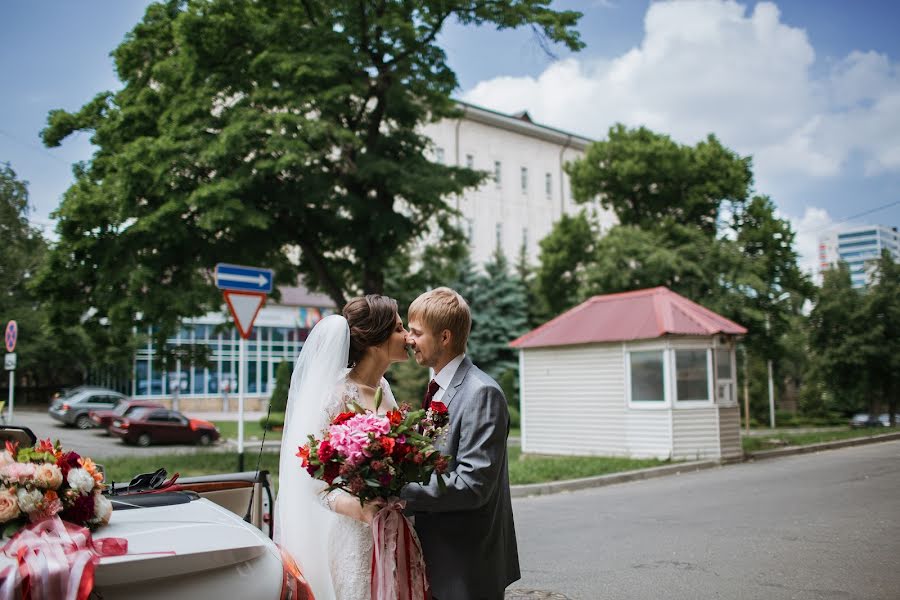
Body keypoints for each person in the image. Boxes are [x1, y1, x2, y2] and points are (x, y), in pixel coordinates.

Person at [274, 294, 409, 599]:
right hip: (354, 535)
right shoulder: (335, 397)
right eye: (399, 329)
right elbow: (309, 480)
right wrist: (356, 507)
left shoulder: (384, 388)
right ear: (376, 340)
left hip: (390, 530)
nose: (408, 336)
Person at [402, 287, 520, 600]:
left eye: (416, 332)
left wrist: (398, 492)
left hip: (465, 564)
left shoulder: (481, 393)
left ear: (444, 337)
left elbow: (472, 485)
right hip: (437, 556)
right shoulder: (439, 386)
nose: (408, 339)